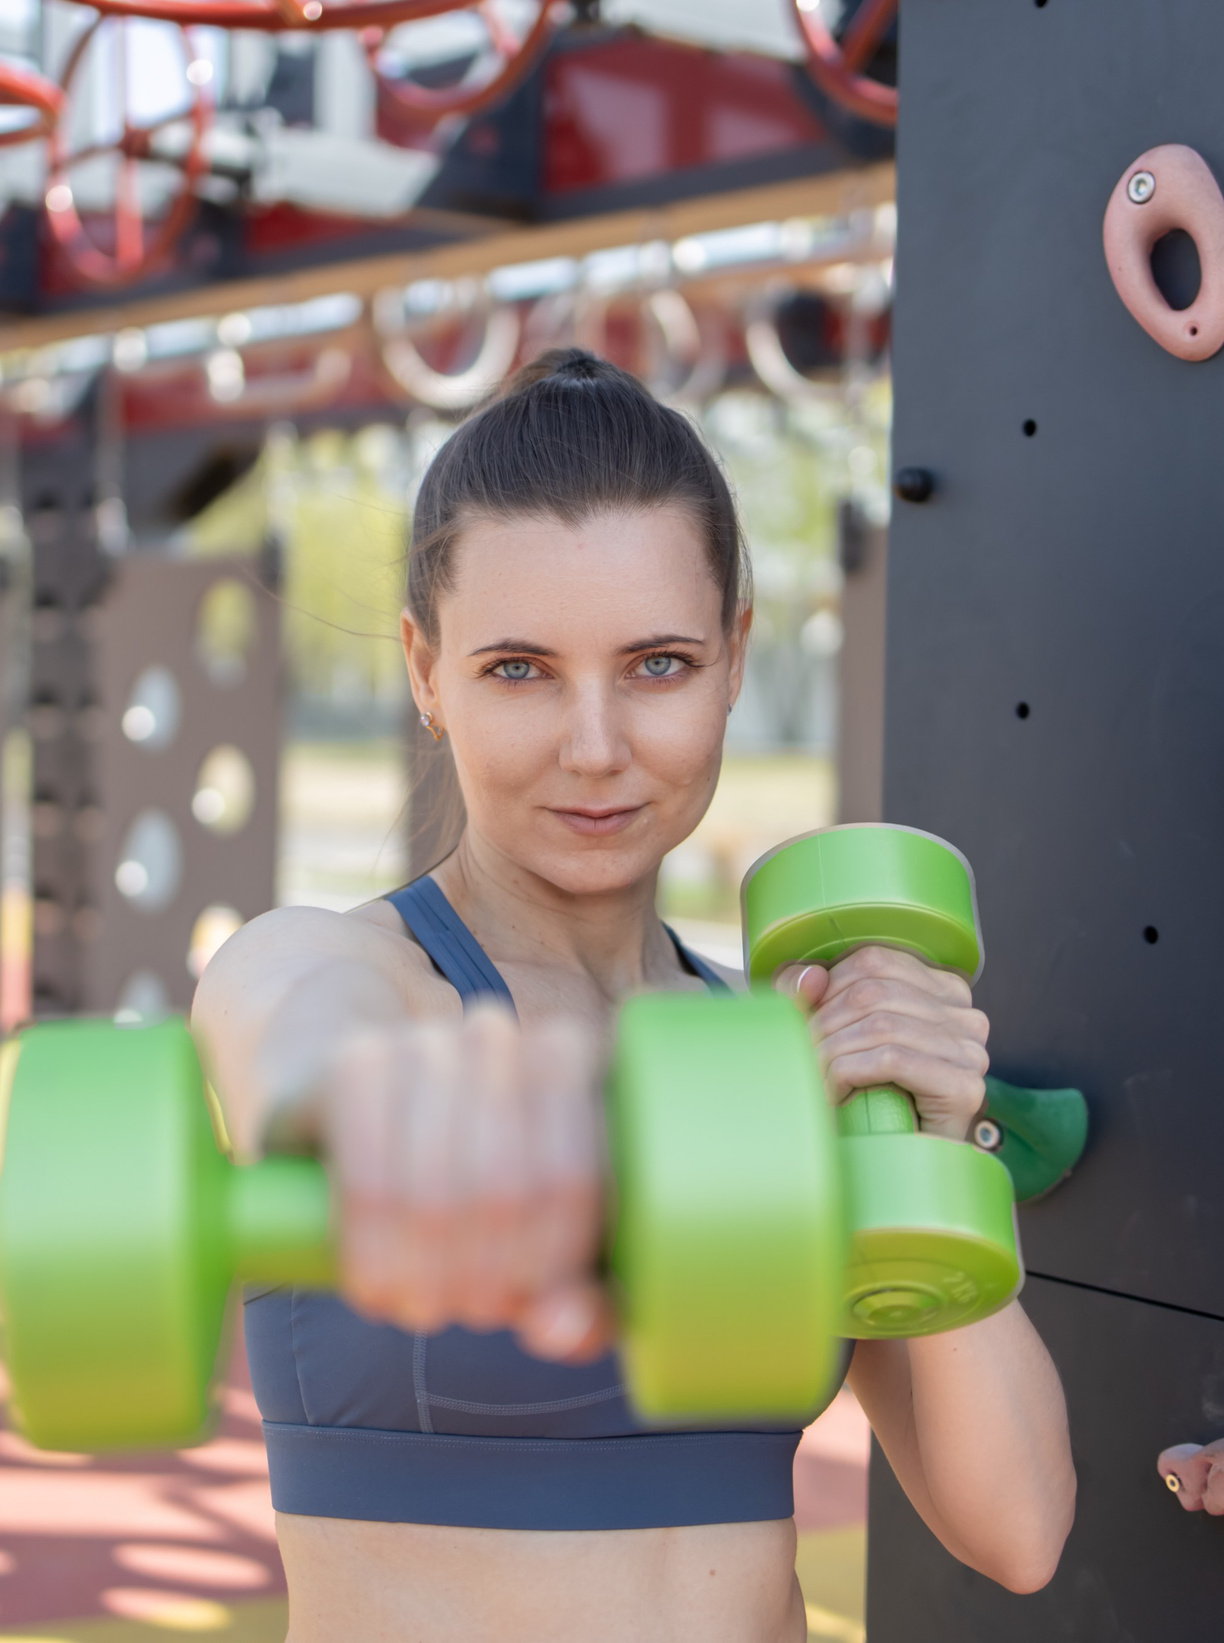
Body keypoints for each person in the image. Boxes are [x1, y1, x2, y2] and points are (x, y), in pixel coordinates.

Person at [191, 349, 1075, 1642]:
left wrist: (928, 1146)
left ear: (733, 660)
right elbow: (320, 1081)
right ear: (426, 673)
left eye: (656, 665)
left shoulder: (793, 1060)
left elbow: (1019, 1529)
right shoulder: (349, 972)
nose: (595, 747)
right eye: (519, 669)